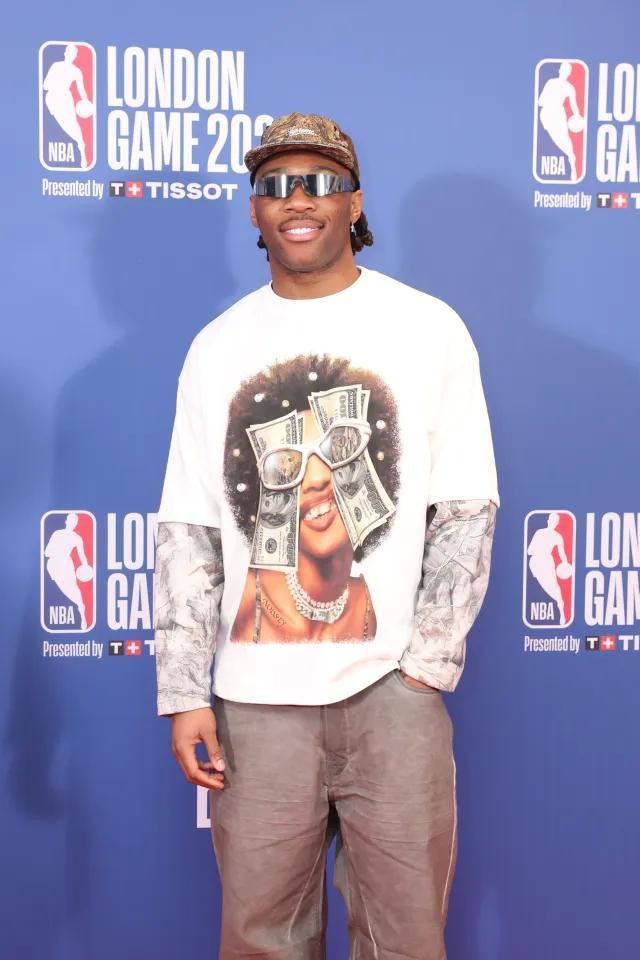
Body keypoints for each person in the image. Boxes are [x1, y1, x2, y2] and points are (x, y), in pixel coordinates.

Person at [154, 112, 500, 960]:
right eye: (275, 186)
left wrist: (423, 669)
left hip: (392, 697)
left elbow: (466, 506)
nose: (296, 200)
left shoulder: (428, 328)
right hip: (254, 704)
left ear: (354, 201)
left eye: (318, 182)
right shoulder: (217, 346)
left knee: (405, 940)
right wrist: (184, 690)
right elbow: (190, 527)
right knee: (260, 941)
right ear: (254, 210)